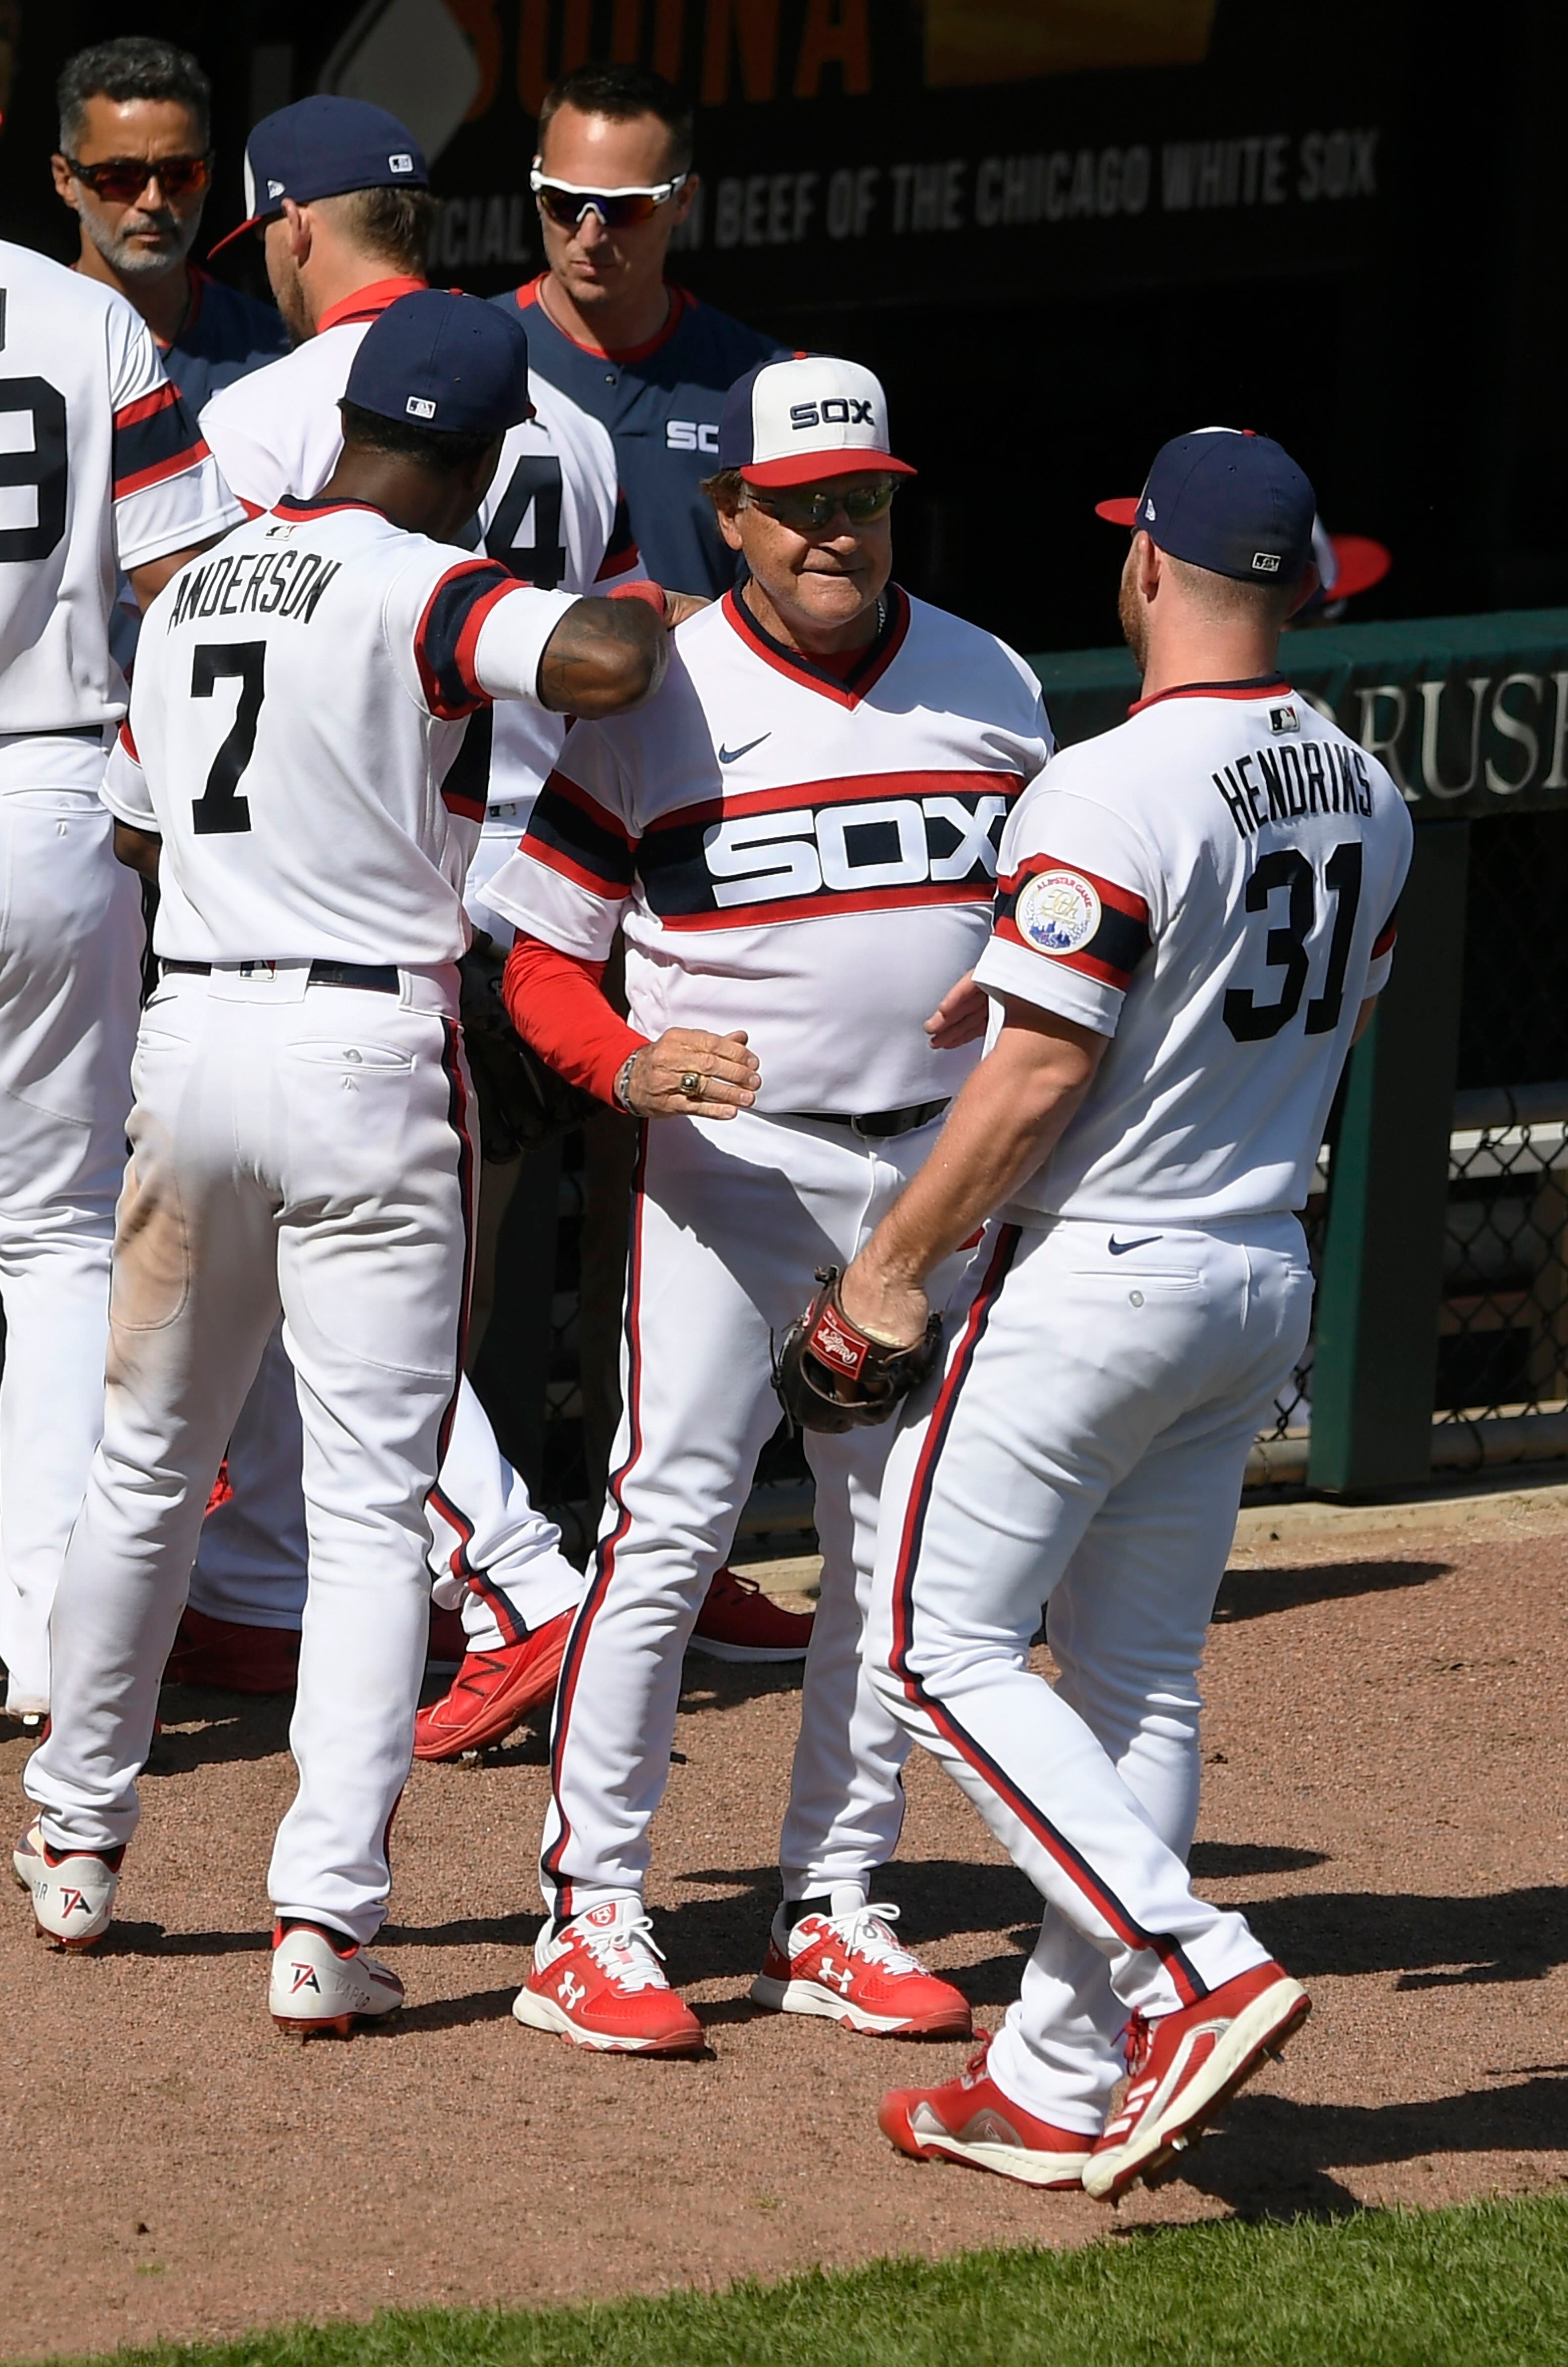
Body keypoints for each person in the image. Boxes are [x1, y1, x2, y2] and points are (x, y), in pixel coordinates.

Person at [16, 293, 667, 2036]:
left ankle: (75, 1841)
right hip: (366, 1047)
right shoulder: (419, 576)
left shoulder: (201, 578)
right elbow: (594, 667)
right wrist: (658, 602)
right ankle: (323, 1920)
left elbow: (143, 827)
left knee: (145, 1458)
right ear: (463, 457)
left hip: (194, 1037)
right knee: (375, 1507)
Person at [828, 428, 1412, 2198]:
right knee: (1136, 1679)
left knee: (934, 1646)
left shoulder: (1106, 782)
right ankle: (1052, 2076)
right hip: (1253, 1268)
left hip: (1097, 1276)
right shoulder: (1369, 788)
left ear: (1145, 566)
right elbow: (1299, 1021)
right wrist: (1021, 1003)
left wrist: (888, 1263)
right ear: (1298, 589)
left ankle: (1187, 1966)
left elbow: (1030, 1087)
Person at [194, 94, 792, 1747]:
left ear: (295, 229)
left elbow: (219, 660)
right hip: (549, 881)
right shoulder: (570, 425)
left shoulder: (267, 415)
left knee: (369, 1293)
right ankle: (305, 1582)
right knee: (426, 1281)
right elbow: (608, 643)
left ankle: (515, 1593)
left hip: (379, 891)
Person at [480, 354, 1052, 2055]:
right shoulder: (652, 694)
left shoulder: (990, 679)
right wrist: (628, 1068)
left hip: (931, 1174)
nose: (833, 536)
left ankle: (832, 1899)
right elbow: (538, 960)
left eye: (860, 502)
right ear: (727, 513)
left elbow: (1054, 921)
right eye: (797, 508)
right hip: (735, 1173)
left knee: (890, 1551)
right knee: (666, 1526)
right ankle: (588, 1913)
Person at [0, 238, 241, 1733]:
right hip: (49, 788)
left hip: (49, 777)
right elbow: (182, 583)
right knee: (50, 1238)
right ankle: (38, 1633)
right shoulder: (81, 313)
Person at [497, 62, 788, 600]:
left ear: (683, 200)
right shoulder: (467, 355)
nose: (588, 233)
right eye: (562, 200)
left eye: (624, 207)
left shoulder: (765, 386)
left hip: (699, 685)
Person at [52, 38, 287, 421]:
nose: (154, 200)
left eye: (180, 174)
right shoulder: (20, 348)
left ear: (208, 176)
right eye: (120, 177)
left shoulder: (273, 353)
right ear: (65, 181)